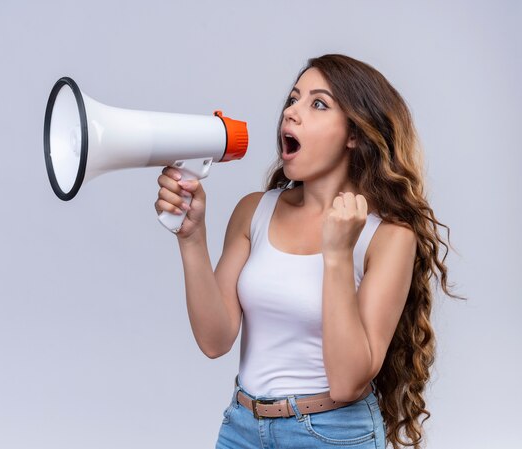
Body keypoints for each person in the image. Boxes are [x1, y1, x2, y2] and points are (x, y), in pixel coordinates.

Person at [154, 54, 463, 449]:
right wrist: (191, 237)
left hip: (332, 434)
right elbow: (215, 341)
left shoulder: (387, 237)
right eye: (293, 99)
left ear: (354, 134)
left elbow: (349, 381)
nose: (291, 113)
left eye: (317, 104)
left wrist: (336, 256)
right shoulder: (255, 210)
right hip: (243, 428)